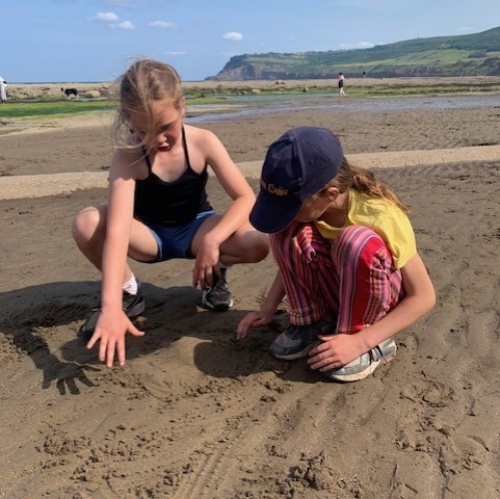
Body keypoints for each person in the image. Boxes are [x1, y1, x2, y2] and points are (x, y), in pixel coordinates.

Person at [72, 58, 270, 367]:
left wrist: (213, 240)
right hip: (149, 235)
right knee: (87, 222)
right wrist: (110, 306)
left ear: (182, 107)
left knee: (256, 242)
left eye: (166, 127)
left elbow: (245, 197)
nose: (158, 140)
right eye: (143, 131)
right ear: (127, 118)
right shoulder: (128, 155)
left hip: (197, 228)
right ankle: (129, 293)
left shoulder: (203, 141)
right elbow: (118, 230)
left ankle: (215, 276)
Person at [237, 126, 435, 382]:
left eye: (293, 207)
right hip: (341, 290)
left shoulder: (380, 216)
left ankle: (366, 338)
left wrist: (361, 342)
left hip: (379, 304)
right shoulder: (314, 207)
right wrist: (268, 307)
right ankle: (313, 322)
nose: (287, 213)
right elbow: (293, 259)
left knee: (355, 241)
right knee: (286, 231)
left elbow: (424, 296)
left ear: (329, 194)